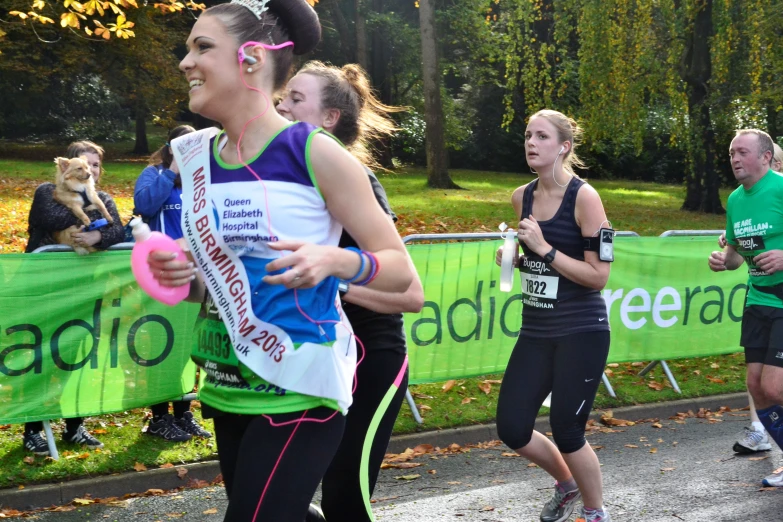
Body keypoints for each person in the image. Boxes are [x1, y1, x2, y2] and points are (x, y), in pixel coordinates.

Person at [146, 1, 415, 520]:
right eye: (188, 48)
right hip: (227, 388)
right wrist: (186, 277)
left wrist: (335, 261)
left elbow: (401, 271)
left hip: (299, 391)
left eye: (202, 47)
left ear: (251, 59)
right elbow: (226, 285)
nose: (185, 62)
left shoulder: (313, 152)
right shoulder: (198, 156)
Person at [276, 61, 424, 522]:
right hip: (314, 360)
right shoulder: (283, 185)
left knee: (344, 494)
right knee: (278, 493)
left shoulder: (356, 180)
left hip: (372, 359)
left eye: (296, 99)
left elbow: (411, 295)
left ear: (329, 119)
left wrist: (336, 284)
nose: (281, 104)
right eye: (282, 96)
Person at [494, 109, 613, 522]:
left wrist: (542, 249)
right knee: (511, 427)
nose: (531, 142)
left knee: (567, 430)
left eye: (542, 136)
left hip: (582, 330)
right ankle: (567, 486)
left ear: (563, 147)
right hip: (536, 329)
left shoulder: (585, 197)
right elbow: (538, 263)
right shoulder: (520, 197)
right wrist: (513, 258)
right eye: (528, 135)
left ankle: (596, 512)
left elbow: (598, 276)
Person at [23, 140, 124, 455]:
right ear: (67, 167)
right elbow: (48, 219)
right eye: (84, 164)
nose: (90, 170)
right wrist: (90, 220)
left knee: (77, 358)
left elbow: (118, 229)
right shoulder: (45, 191)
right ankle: (33, 430)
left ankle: (74, 426)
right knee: (40, 360)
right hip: (46, 286)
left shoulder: (102, 197)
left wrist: (98, 234)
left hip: (83, 287)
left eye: (95, 165)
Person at [709, 129, 783, 487]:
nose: (735, 159)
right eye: (731, 153)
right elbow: (737, 255)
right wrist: (723, 261)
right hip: (757, 301)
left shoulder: (781, 189)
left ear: (766, 157)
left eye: (742, 152)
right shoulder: (736, 200)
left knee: (775, 385)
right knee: (757, 387)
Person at [133, 125, 212, 442]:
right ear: (169, 148)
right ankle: (158, 418)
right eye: (182, 148)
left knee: (186, 347)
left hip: (197, 275)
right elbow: (146, 206)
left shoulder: (200, 180)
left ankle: (183, 413)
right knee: (160, 345)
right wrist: (171, 171)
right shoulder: (153, 173)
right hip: (161, 276)